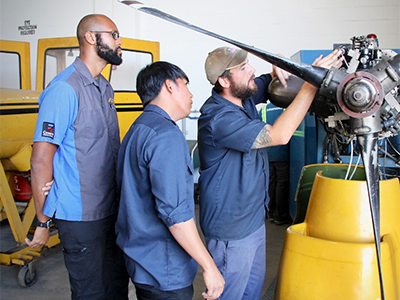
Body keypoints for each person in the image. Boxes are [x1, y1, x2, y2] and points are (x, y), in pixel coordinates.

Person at [198, 46, 343, 300]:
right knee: (231, 295)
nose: (252, 70)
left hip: (254, 220)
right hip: (231, 230)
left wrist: (292, 70)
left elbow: (272, 81)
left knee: (251, 294)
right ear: (224, 80)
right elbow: (279, 135)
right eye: (243, 68)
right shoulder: (219, 118)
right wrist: (312, 83)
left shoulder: (243, 97)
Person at [26, 14, 129, 299]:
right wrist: (43, 221)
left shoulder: (104, 87)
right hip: (81, 217)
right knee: (90, 292)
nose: (119, 42)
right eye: (114, 34)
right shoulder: (64, 89)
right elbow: (41, 159)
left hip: (110, 208)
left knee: (117, 286)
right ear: (90, 37)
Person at [115, 61, 225, 300]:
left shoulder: (138, 128)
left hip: (141, 260)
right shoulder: (165, 136)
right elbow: (176, 217)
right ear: (169, 86)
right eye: (185, 85)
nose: (191, 94)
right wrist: (209, 266)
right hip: (164, 269)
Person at [259, 102, 292, 225]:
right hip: (283, 152)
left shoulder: (263, 110)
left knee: (271, 182)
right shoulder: (287, 107)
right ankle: (280, 215)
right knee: (282, 183)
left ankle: (271, 213)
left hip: (268, 152)